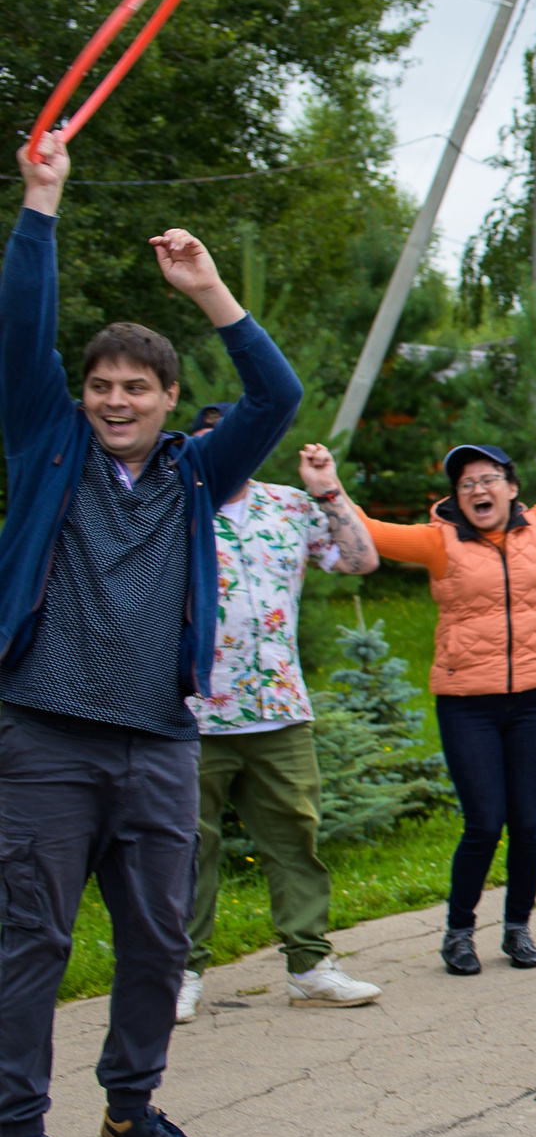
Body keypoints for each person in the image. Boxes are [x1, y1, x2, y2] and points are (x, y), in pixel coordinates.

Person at [0, 133, 302, 1137]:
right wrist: (43, 203)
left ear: (173, 399)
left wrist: (212, 288)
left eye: (138, 386)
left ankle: (130, 1111)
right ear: (80, 394)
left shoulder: (196, 477)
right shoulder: (47, 443)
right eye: (102, 385)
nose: (117, 399)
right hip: (43, 730)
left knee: (158, 937)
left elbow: (278, 396)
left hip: (162, 739)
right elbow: (18, 332)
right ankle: (13, 1133)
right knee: (31, 937)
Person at [354, 374, 536, 975]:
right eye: (467, 483)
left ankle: (517, 928)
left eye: (490, 478)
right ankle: (458, 932)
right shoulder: (438, 544)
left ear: (513, 488)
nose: (478, 488)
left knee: (530, 823)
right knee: (484, 822)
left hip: (535, 699)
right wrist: (327, 488)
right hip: (469, 704)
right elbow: (370, 534)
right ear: (456, 498)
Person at [182, 420, 384, 1021]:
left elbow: (360, 559)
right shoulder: (171, 504)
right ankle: (180, 971)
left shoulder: (289, 506)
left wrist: (328, 489)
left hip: (280, 710)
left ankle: (308, 966)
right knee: (186, 849)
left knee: (297, 841)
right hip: (191, 712)